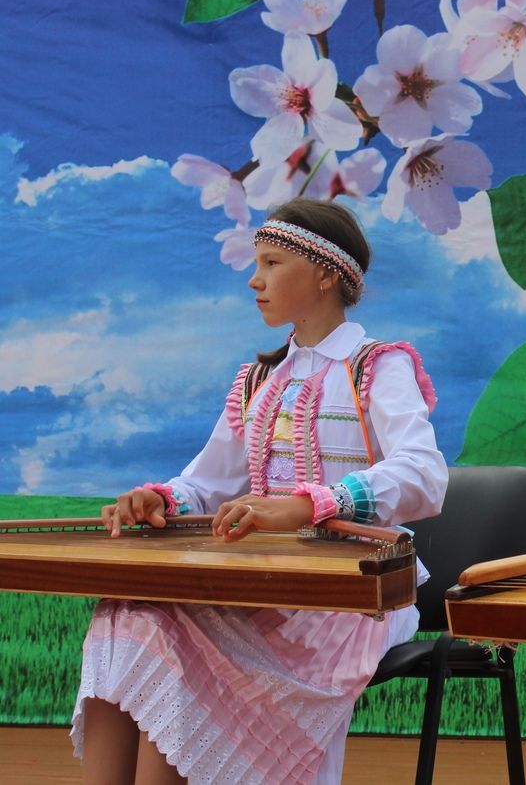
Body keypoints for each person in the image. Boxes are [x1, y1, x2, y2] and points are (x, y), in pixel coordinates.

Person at [72, 198, 448, 785]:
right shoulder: (260, 380)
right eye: (258, 263)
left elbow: (424, 475)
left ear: (326, 274)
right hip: (265, 581)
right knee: (126, 611)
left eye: (272, 263)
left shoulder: (375, 365)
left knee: (165, 633)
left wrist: (310, 505)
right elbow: (208, 482)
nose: (255, 279)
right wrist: (163, 501)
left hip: (354, 594)